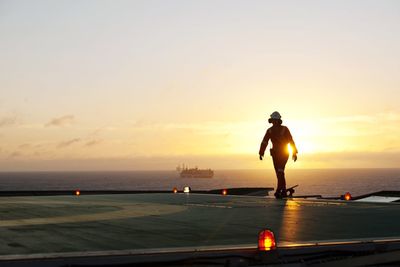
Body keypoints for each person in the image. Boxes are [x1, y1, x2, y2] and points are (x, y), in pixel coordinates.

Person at [259, 111, 298, 198]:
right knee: (279, 172)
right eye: (273, 120)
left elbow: (291, 141)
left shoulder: (285, 129)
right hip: (275, 155)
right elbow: (264, 142)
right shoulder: (269, 131)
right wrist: (261, 152)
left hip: (284, 154)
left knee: (280, 171)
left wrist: (294, 152)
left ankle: (279, 190)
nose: (274, 122)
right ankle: (282, 190)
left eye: (276, 120)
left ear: (278, 120)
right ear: (271, 121)